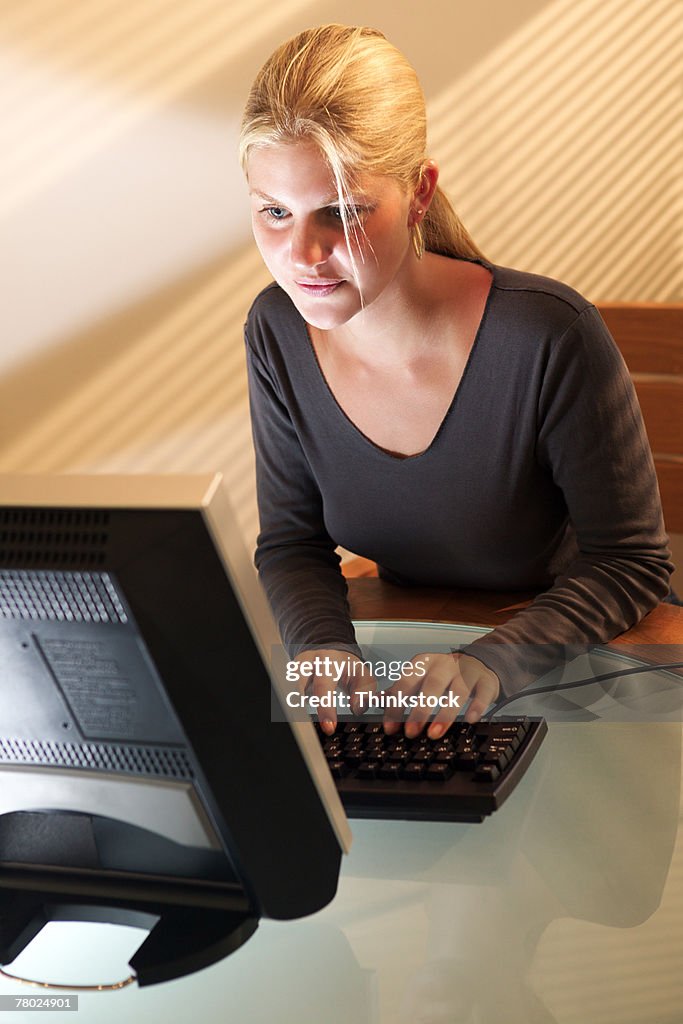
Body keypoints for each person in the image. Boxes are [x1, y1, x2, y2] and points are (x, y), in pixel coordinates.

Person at [240, 24, 673, 737]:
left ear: (418, 195)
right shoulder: (276, 329)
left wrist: (494, 661)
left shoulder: (547, 333)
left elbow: (627, 563)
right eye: (274, 213)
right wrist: (319, 645)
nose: (302, 255)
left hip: (575, 666)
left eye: (342, 212)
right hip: (410, 666)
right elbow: (291, 541)